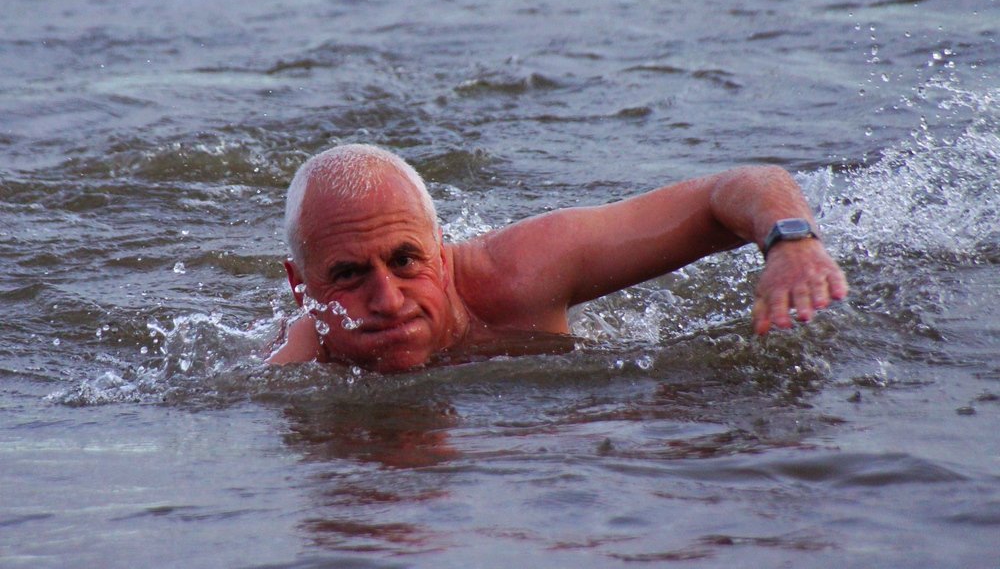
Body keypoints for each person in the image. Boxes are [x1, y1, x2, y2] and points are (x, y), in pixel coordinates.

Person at [268, 144, 848, 373]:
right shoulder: (300, 366)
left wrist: (791, 244)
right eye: (348, 274)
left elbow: (739, 186)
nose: (388, 299)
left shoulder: (523, 272)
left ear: (441, 255)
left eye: (405, 261)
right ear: (301, 287)